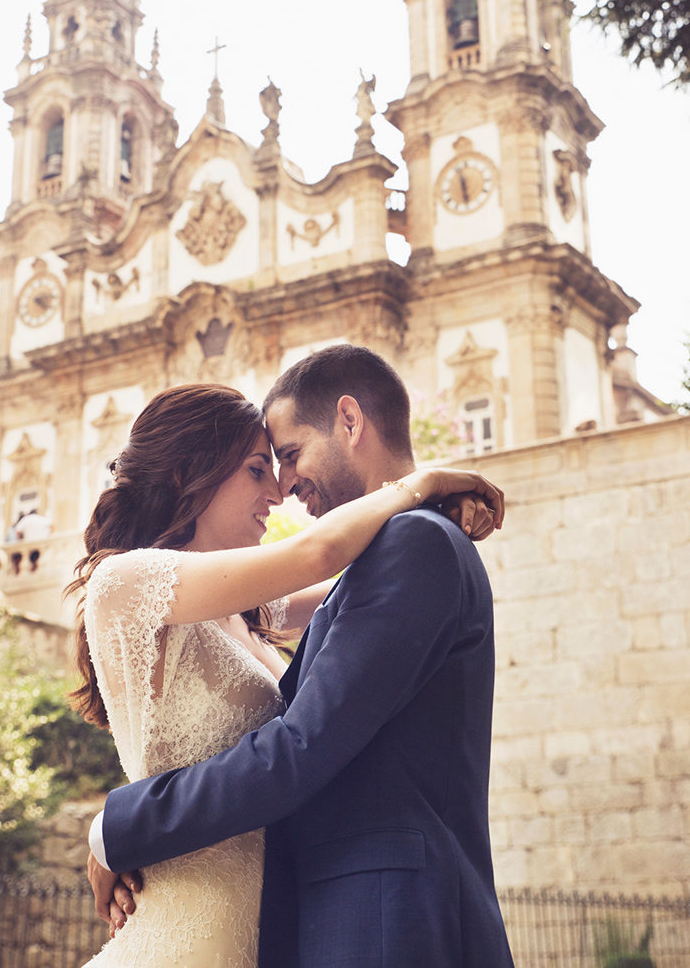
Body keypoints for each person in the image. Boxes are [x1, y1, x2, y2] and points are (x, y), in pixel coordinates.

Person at [89, 347, 514, 968]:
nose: (282, 489)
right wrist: (418, 488)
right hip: (202, 926)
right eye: (261, 468)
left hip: (365, 917)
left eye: (283, 460)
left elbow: (302, 737)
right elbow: (323, 564)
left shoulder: (406, 547)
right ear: (192, 474)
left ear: (350, 421)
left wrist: (115, 828)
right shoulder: (130, 583)